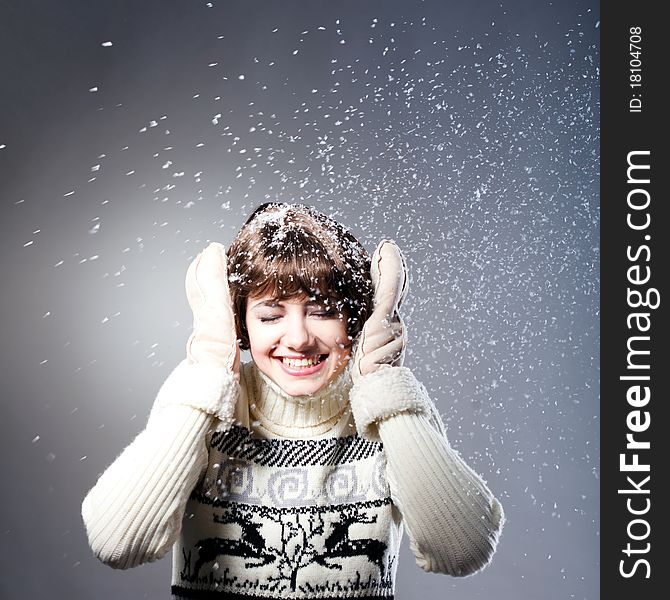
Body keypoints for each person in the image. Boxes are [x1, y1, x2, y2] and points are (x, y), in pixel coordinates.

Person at [81, 202, 504, 599]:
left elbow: (462, 550)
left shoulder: (391, 405)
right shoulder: (198, 399)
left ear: (355, 319)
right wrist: (210, 370)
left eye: (323, 311)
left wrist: (382, 384)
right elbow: (117, 543)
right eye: (269, 316)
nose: (299, 338)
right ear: (239, 323)